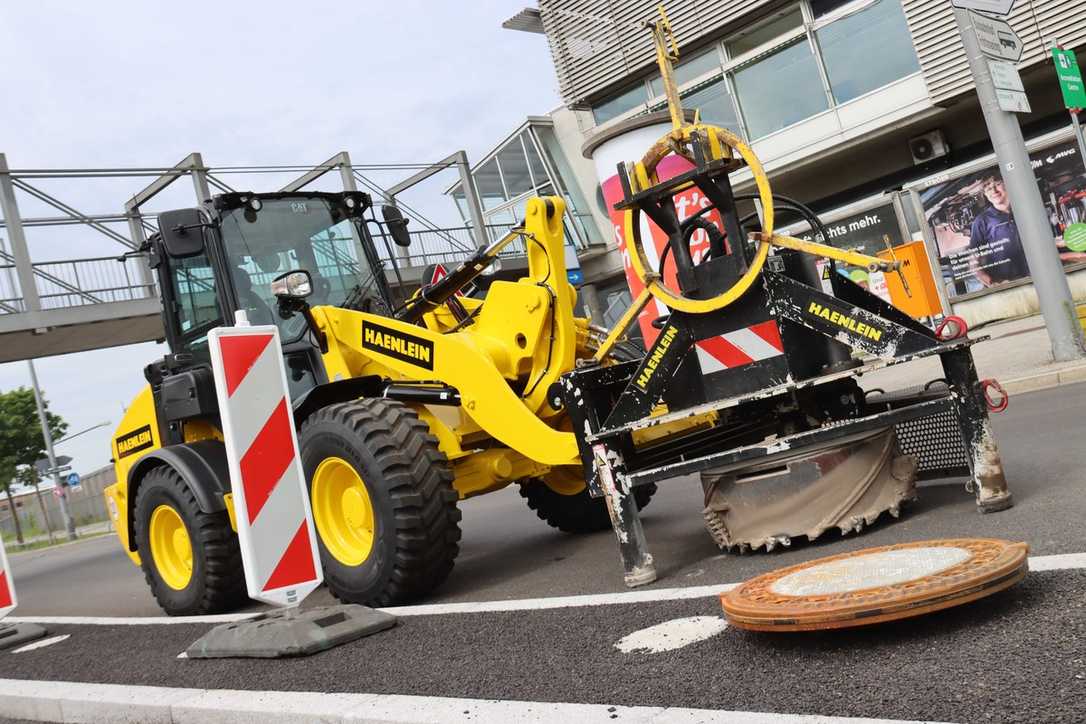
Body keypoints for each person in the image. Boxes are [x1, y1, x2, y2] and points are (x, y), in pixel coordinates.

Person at [968, 177, 1028, 287]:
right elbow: (973, 264)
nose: (993, 191)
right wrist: (992, 283)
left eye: (997, 184)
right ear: (985, 194)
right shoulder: (982, 221)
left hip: (1036, 276)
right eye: (988, 188)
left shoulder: (1025, 208)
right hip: (1008, 285)